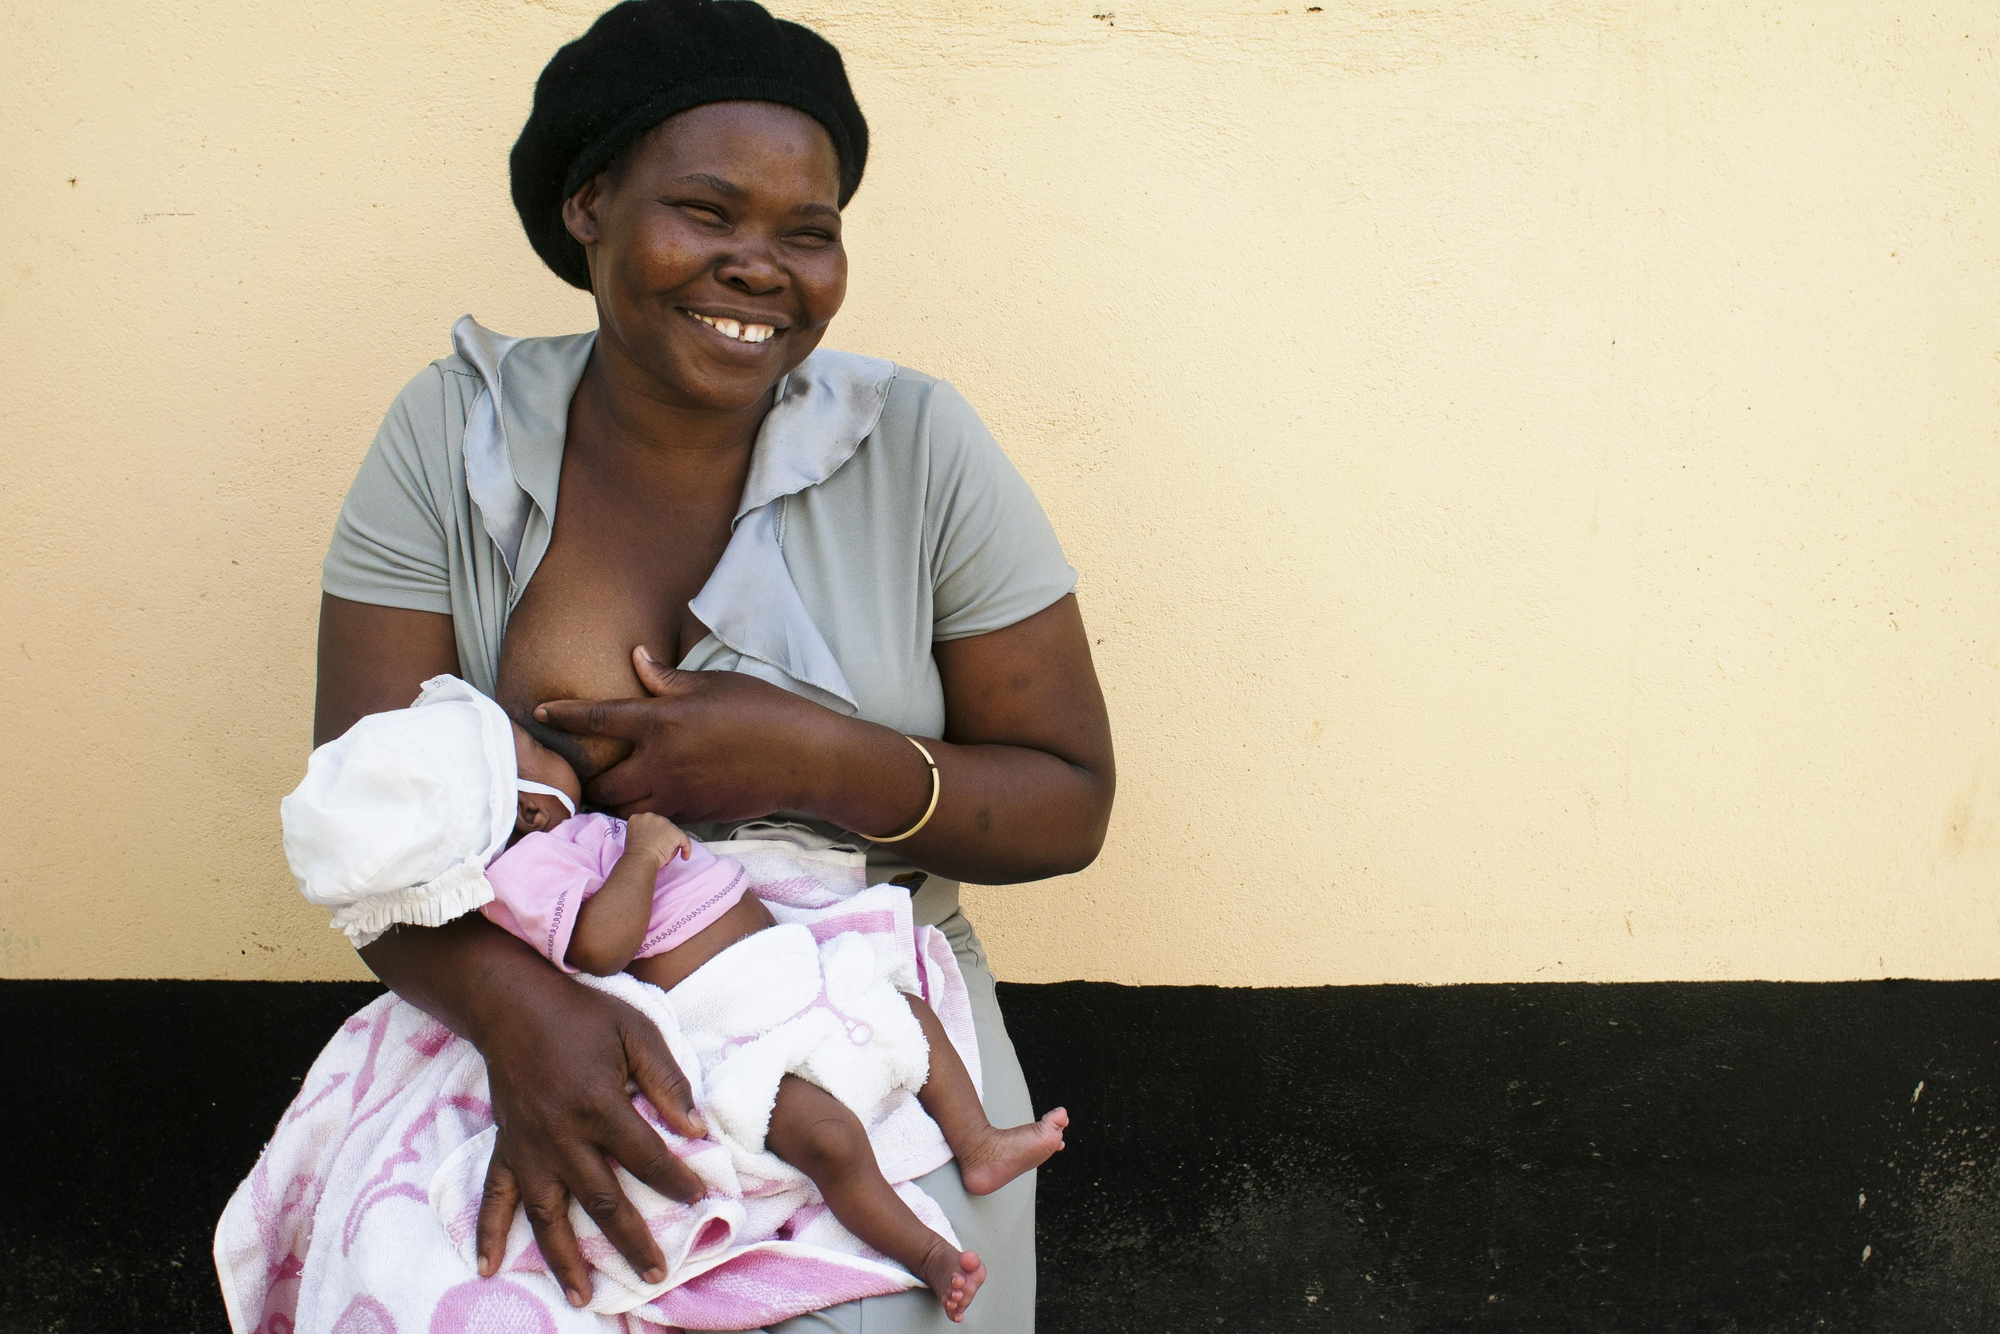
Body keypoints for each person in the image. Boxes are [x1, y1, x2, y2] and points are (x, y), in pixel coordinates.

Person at [310, 0, 1115, 1328]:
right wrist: (524, 1022)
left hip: (869, 1023)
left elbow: (1068, 796)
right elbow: (360, 815)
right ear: (589, 206)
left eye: (809, 233)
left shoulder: (917, 444)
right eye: (708, 211)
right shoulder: (452, 435)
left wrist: (813, 758)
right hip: (531, 1004)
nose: (761, 265)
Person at [281, 677, 1070, 1321]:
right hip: (728, 1022)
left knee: (912, 1010)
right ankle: (927, 1253)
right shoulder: (528, 874)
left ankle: (979, 1144)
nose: (546, 748)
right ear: (521, 807)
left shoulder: (565, 837)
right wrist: (647, 856)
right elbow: (596, 946)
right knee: (826, 1139)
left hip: (789, 968)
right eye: (528, 750)